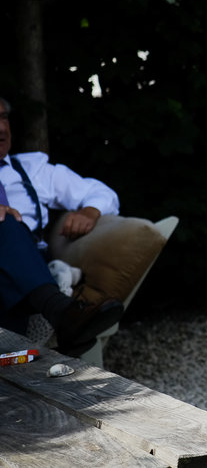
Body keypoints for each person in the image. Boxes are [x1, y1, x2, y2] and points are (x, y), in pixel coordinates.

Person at [0, 97, 125, 356]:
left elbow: (100, 192)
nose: (1, 128)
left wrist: (89, 212)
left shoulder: (33, 170)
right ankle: (61, 312)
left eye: (3, 117)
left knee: (7, 224)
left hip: (25, 266)